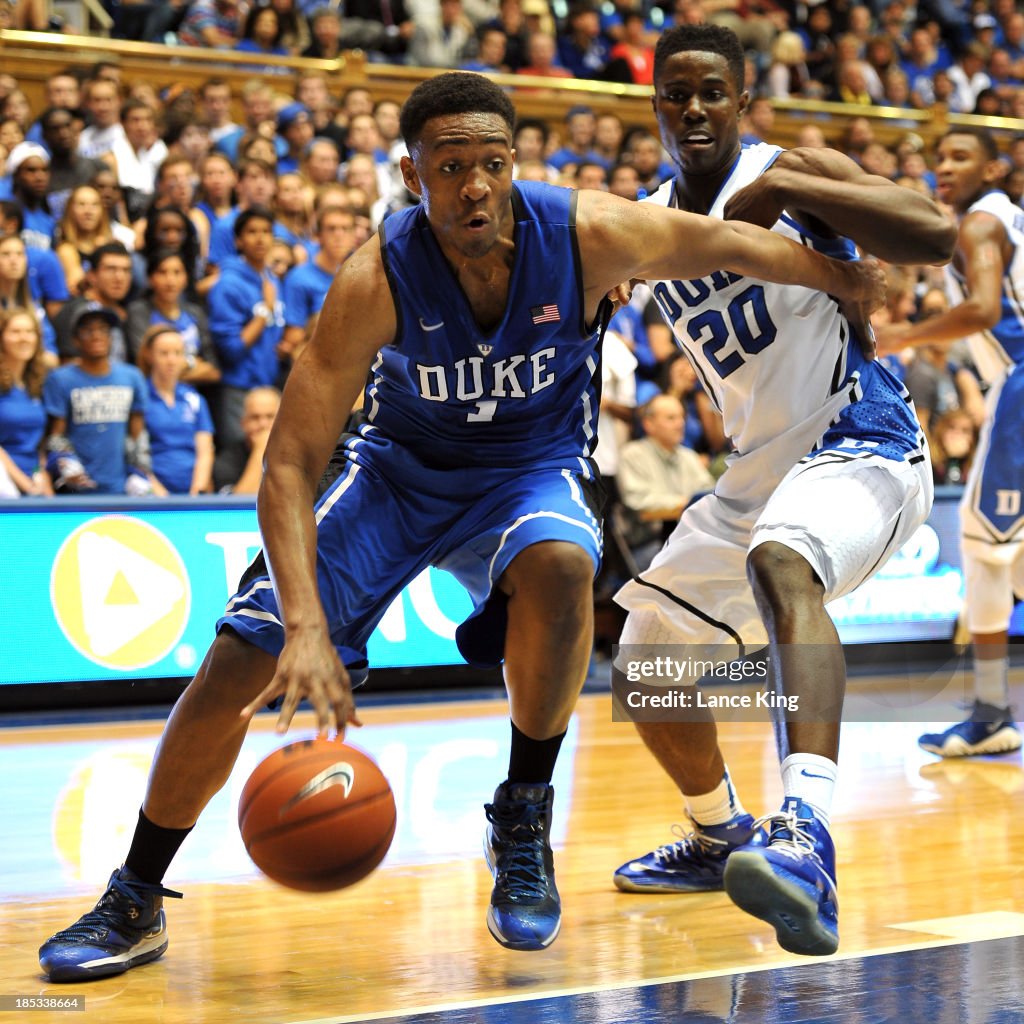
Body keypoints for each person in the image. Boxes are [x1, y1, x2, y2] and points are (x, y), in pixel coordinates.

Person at [38, 70, 889, 982]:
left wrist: (844, 278)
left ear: (514, 163)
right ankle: (134, 893)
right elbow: (287, 462)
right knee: (243, 657)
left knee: (565, 563)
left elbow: (728, 243)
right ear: (413, 174)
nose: (475, 184)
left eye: (492, 162)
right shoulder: (376, 274)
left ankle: (522, 816)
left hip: (530, 472)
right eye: (451, 167)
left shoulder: (589, 232)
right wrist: (308, 632)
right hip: (399, 475)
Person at [608, 25, 954, 958]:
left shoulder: (794, 163)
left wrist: (795, 187)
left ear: (743, 98)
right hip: (756, 472)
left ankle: (808, 836)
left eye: (713, 92)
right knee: (647, 669)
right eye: (676, 93)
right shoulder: (642, 220)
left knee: (783, 559)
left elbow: (933, 232)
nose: (694, 109)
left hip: (862, 440)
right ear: (656, 106)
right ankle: (721, 832)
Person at [876, 127, 1024, 759]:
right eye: (940, 156)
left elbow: (987, 309)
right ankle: (991, 712)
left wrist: (901, 338)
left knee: (986, 548)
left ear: (994, 168)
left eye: (960, 156)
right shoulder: (1001, 221)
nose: (944, 166)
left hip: (1021, 385)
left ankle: (991, 714)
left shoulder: (984, 226)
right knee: (1002, 551)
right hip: (1009, 388)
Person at [42, 303, 150, 495]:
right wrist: (66, 460)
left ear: (111, 337)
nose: (96, 335)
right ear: (75, 339)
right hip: (77, 488)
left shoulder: (132, 377)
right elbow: (55, 433)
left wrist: (139, 471)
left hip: (121, 487)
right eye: (88, 330)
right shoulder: (60, 379)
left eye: (103, 329)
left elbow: (137, 433)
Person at [140, 325, 215, 496]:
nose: (171, 360)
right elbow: (135, 455)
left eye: (177, 353)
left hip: (193, 492)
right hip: (152, 493)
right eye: (164, 353)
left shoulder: (194, 399)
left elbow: (205, 451)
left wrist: (197, 492)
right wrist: (161, 497)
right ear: (149, 355)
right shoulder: (140, 397)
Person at [0, 308, 51, 496]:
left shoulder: (37, 383)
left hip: (33, 479)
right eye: (15, 332)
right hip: (6, 484)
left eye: (30, 332)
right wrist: (23, 483)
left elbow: (38, 443)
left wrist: (40, 477)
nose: (24, 338)